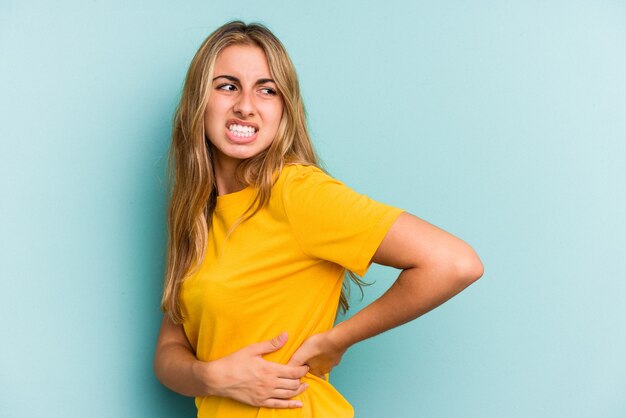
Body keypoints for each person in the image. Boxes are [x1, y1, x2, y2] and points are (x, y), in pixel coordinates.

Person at [153, 20, 483, 418]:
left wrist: (337, 340)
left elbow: (455, 263)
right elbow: (169, 353)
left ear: (284, 109)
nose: (245, 105)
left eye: (267, 90)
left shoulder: (296, 192)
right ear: (198, 102)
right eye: (227, 86)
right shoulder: (195, 215)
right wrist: (212, 378)